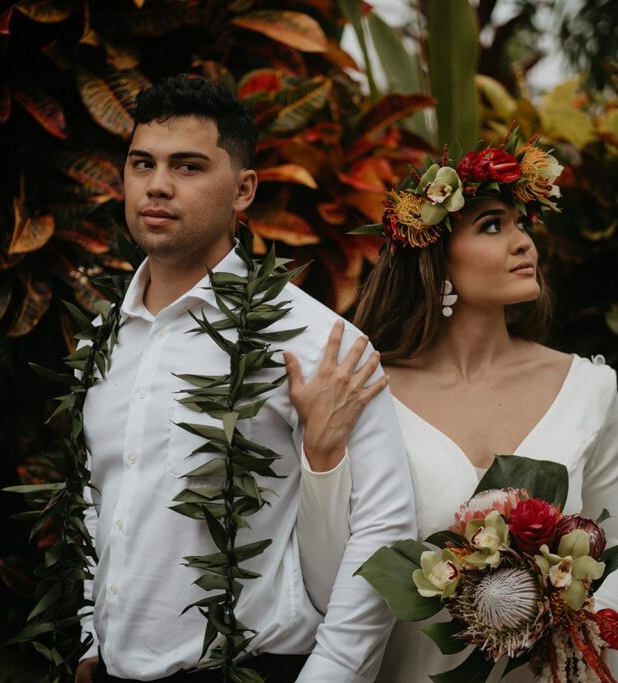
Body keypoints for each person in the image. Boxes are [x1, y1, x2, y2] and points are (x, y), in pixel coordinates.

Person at [74, 74, 416, 683]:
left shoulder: (315, 341)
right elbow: (96, 499)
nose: (156, 185)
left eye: (187, 167)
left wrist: (332, 674)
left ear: (243, 189)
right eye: (141, 163)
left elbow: (386, 528)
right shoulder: (99, 342)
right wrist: (87, 643)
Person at [288, 134, 618, 682]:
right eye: (492, 225)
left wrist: (564, 606)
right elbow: (330, 584)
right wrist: (321, 450)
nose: (522, 243)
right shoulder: (371, 394)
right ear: (436, 256)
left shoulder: (589, 389)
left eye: (522, 225)